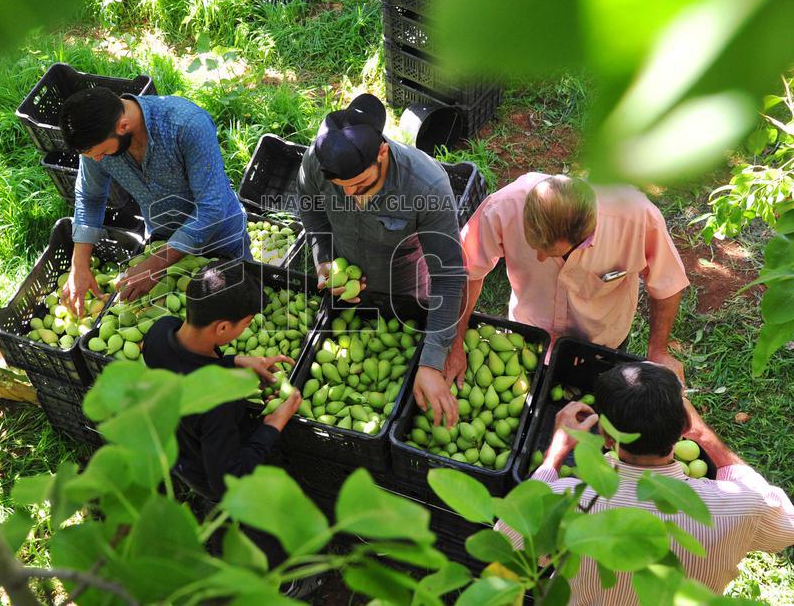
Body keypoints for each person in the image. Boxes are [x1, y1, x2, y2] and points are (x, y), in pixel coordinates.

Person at [498, 362, 794, 603]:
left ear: (606, 437)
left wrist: (555, 455)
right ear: (683, 428)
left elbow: (507, 541)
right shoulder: (741, 505)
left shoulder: (563, 503)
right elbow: (788, 528)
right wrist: (705, 436)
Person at [297, 93, 465, 427]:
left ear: (382, 153)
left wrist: (431, 362)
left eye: (360, 186)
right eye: (341, 189)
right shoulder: (315, 162)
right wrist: (324, 260)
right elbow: (313, 217)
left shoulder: (427, 186)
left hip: (404, 284)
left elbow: (448, 276)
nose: (350, 197)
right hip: (346, 280)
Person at [446, 173, 689, 383]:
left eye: (550, 252)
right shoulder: (505, 206)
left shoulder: (636, 219)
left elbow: (667, 284)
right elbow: (468, 270)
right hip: (529, 330)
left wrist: (658, 350)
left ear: (584, 237)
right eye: (533, 246)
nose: (540, 258)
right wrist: (456, 338)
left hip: (602, 340)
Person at [58, 86, 250, 316]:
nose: (98, 160)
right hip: (163, 237)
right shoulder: (99, 141)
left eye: (102, 153)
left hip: (221, 238)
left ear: (123, 126)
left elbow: (212, 207)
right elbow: (90, 197)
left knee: (239, 305)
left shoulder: (187, 125)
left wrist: (154, 265)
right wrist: (79, 264)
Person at [141, 260, 302, 501]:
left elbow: (184, 365)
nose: (247, 329)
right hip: (206, 472)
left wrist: (233, 361)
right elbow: (227, 481)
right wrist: (272, 424)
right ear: (224, 327)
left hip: (179, 447)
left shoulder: (161, 330)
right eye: (247, 324)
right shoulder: (218, 400)